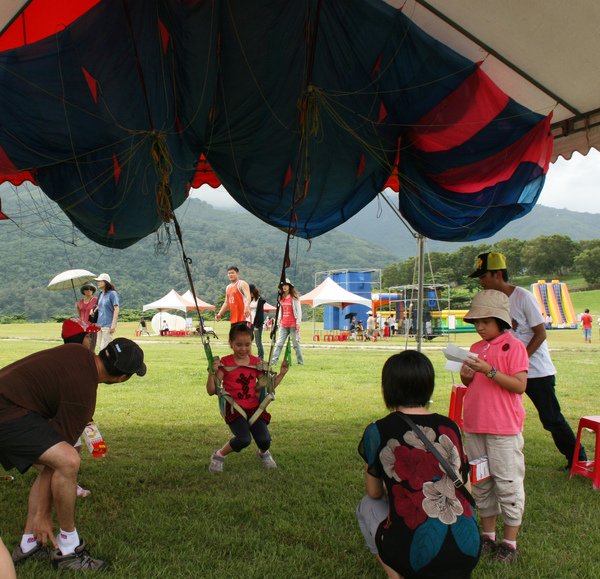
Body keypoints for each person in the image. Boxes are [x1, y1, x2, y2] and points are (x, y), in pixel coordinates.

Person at [0, 337, 146, 571]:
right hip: (6, 412)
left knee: (64, 454)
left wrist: (42, 512)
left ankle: (29, 544)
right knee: (68, 460)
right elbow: (57, 463)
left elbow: (52, 456)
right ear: (122, 378)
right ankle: (68, 549)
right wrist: (43, 514)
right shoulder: (84, 396)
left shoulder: (77, 351)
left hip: (11, 404)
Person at [356, 350, 480, 579]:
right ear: (428, 385)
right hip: (468, 547)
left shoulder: (378, 430)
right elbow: (467, 489)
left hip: (415, 555)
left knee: (366, 506)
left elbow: (373, 493)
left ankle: (397, 575)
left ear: (388, 387)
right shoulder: (450, 426)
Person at [469, 251, 587, 470]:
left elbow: (540, 333)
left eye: (483, 276)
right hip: (505, 373)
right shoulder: (493, 303)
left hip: (536, 371)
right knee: (503, 414)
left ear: (497, 274)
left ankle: (577, 458)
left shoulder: (522, 297)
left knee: (550, 418)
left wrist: (519, 360)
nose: (481, 282)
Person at [460, 290, 529, 564]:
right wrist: (467, 376)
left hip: (503, 428)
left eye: (485, 321)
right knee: (482, 482)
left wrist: (488, 370)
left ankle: (509, 542)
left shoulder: (513, 347)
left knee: (508, 482)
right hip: (475, 425)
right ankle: (487, 536)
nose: (479, 327)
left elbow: (520, 385)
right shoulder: (476, 348)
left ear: (500, 320)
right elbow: (472, 385)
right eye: (476, 322)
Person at [206, 323, 288, 473]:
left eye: (247, 345)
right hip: (234, 409)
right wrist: (212, 372)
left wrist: (282, 373)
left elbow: (268, 387)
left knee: (265, 441)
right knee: (244, 439)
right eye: (238, 345)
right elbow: (212, 390)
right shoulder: (225, 363)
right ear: (231, 343)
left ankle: (263, 453)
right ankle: (219, 455)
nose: (243, 349)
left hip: (254, 408)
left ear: (252, 343)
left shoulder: (256, 363)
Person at [61, 318, 103, 499]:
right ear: (84, 338)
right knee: (70, 451)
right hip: (62, 413)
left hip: (68, 412)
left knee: (71, 448)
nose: (92, 339)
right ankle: (67, 482)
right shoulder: (78, 361)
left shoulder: (71, 356)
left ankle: (68, 480)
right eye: (89, 336)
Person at [271, 279, 304, 365]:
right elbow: (280, 311)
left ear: (289, 287)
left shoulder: (294, 298)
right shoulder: (281, 298)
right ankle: (273, 361)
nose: (284, 287)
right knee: (279, 344)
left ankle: (300, 362)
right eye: (283, 285)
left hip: (293, 324)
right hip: (283, 324)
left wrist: (298, 323)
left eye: (286, 285)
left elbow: (299, 311)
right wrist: (278, 322)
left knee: (296, 344)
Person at [93, 273, 119, 351]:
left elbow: (116, 309)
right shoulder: (101, 294)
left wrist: (113, 325)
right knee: (100, 347)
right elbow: (99, 306)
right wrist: (94, 310)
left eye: (100, 281)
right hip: (99, 325)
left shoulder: (112, 294)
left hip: (108, 325)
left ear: (105, 282)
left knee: (105, 348)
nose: (98, 282)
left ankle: (114, 359)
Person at [76, 284, 98, 351]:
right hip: (82, 327)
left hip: (92, 326)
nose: (89, 290)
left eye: (91, 289)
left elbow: (98, 312)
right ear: (83, 291)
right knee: (82, 346)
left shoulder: (96, 300)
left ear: (93, 291)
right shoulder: (80, 302)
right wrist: (77, 307)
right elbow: (80, 315)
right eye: (87, 289)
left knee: (91, 346)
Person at [249, 284, 266, 359]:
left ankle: (260, 357)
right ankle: (248, 355)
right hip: (250, 322)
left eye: (250, 292)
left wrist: (256, 326)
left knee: (258, 342)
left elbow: (260, 314)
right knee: (248, 340)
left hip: (257, 324)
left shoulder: (260, 300)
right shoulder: (250, 299)